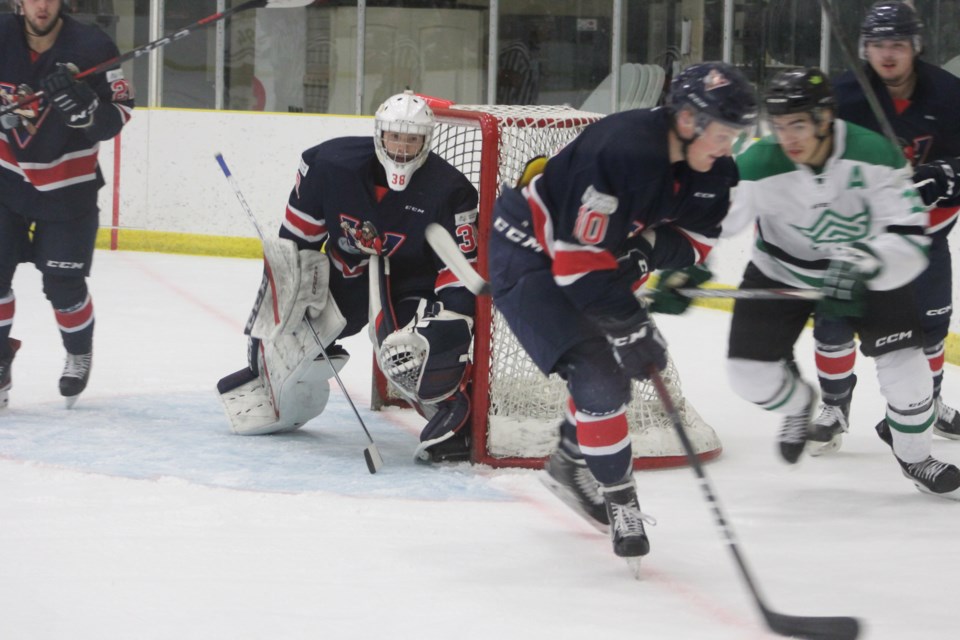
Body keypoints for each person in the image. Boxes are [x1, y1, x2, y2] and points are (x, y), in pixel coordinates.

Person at [487, 62, 758, 561]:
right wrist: (631, 327)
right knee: (601, 375)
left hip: (595, 257)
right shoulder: (621, 148)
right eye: (723, 132)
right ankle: (619, 497)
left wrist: (647, 251)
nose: (728, 146)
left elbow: (696, 241)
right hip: (528, 253)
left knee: (606, 381)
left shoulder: (716, 170)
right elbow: (574, 266)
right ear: (687, 119)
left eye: (735, 135)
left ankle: (570, 461)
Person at [724, 66, 960, 500]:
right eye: (778, 126)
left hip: (866, 272)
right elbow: (713, 221)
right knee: (746, 376)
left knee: (909, 374)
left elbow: (909, 239)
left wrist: (867, 264)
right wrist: (681, 256)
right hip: (781, 271)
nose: (788, 137)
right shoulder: (758, 162)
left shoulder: (875, 154)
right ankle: (798, 406)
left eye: (798, 124)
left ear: (825, 117)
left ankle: (915, 457)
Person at [216, 90, 480, 464]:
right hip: (345, 277)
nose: (402, 147)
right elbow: (297, 242)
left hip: (411, 284)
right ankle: (267, 377)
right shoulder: (329, 165)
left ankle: (449, 409)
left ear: (426, 141)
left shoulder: (449, 190)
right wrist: (292, 295)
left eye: (412, 138)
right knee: (289, 336)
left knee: (410, 347)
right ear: (379, 135)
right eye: (394, 136)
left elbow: (457, 276)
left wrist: (449, 328)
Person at [811, 0, 960, 450]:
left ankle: (927, 404)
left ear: (914, 46)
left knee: (930, 328)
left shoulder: (949, 95)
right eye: (877, 44)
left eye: (897, 43)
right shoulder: (841, 96)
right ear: (864, 49)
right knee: (834, 324)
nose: (888, 54)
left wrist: (946, 174)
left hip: (925, 238)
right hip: (856, 239)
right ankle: (835, 405)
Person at [0, 0, 134, 409]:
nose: (42, 5)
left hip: (68, 186)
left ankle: (78, 352)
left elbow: (122, 111)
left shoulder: (92, 46)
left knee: (63, 286)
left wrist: (88, 114)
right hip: (6, 181)